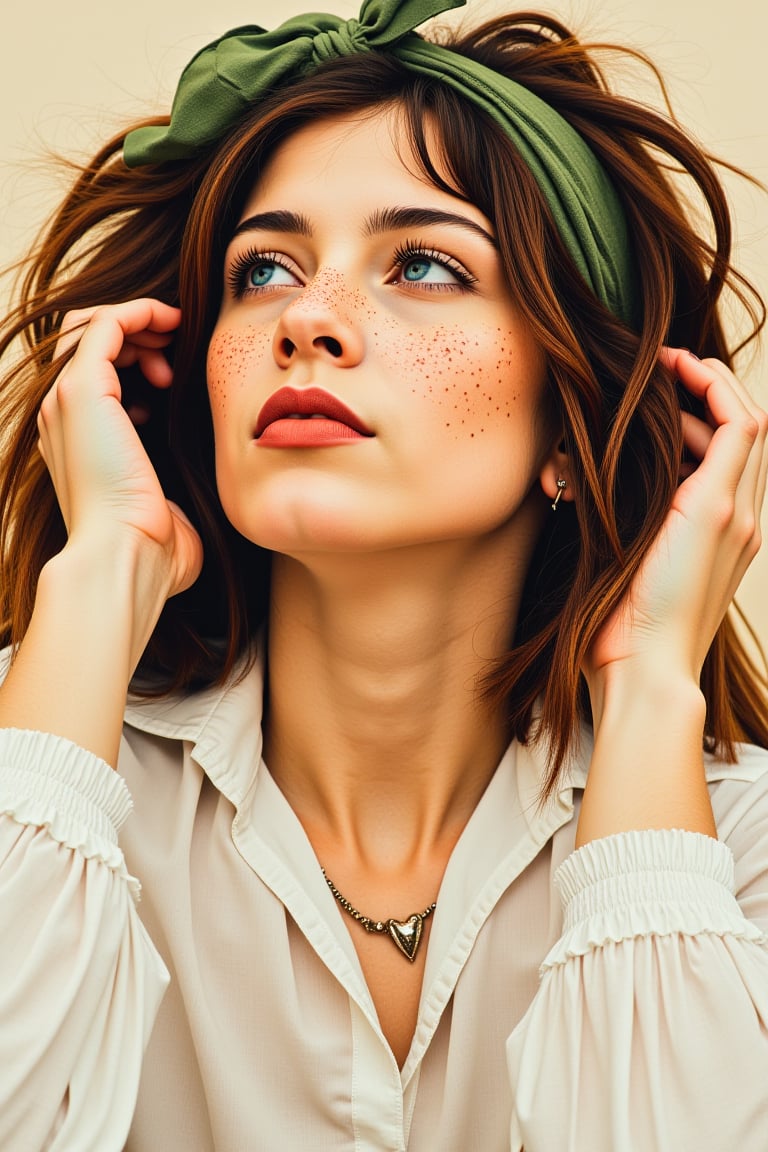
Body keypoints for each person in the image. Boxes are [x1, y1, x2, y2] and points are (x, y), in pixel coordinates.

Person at [0, 0, 767, 1147]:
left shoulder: (738, 853)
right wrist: (101, 568)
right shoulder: (39, 760)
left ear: (572, 422)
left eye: (422, 264)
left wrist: (651, 683)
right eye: (263, 270)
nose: (310, 318)